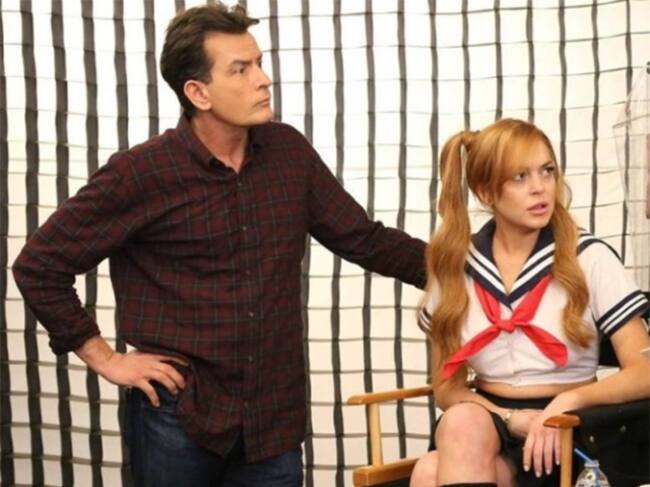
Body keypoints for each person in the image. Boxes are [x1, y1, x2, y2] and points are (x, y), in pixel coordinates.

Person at [11, 4, 427, 486]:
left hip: (272, 421)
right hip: (176, 415)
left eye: (259, 63)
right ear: (198, 92)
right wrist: (105, 358)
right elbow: (40, 265)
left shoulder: (289, 152)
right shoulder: (141, 173)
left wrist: (469, 265)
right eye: (241, 69)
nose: (263, 80)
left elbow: (364, 239)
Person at [409, 119, 650, 487]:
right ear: (486, 192)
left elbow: (645, 371)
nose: (540, 187)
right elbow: (448, 389)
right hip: (488, 422)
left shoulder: (589, 257)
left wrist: (568, 402)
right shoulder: (457, 267)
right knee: (462, 422)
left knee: (429, 472)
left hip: (574, 425)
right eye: (520, 177)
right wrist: (510, 418)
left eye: (547, 171)